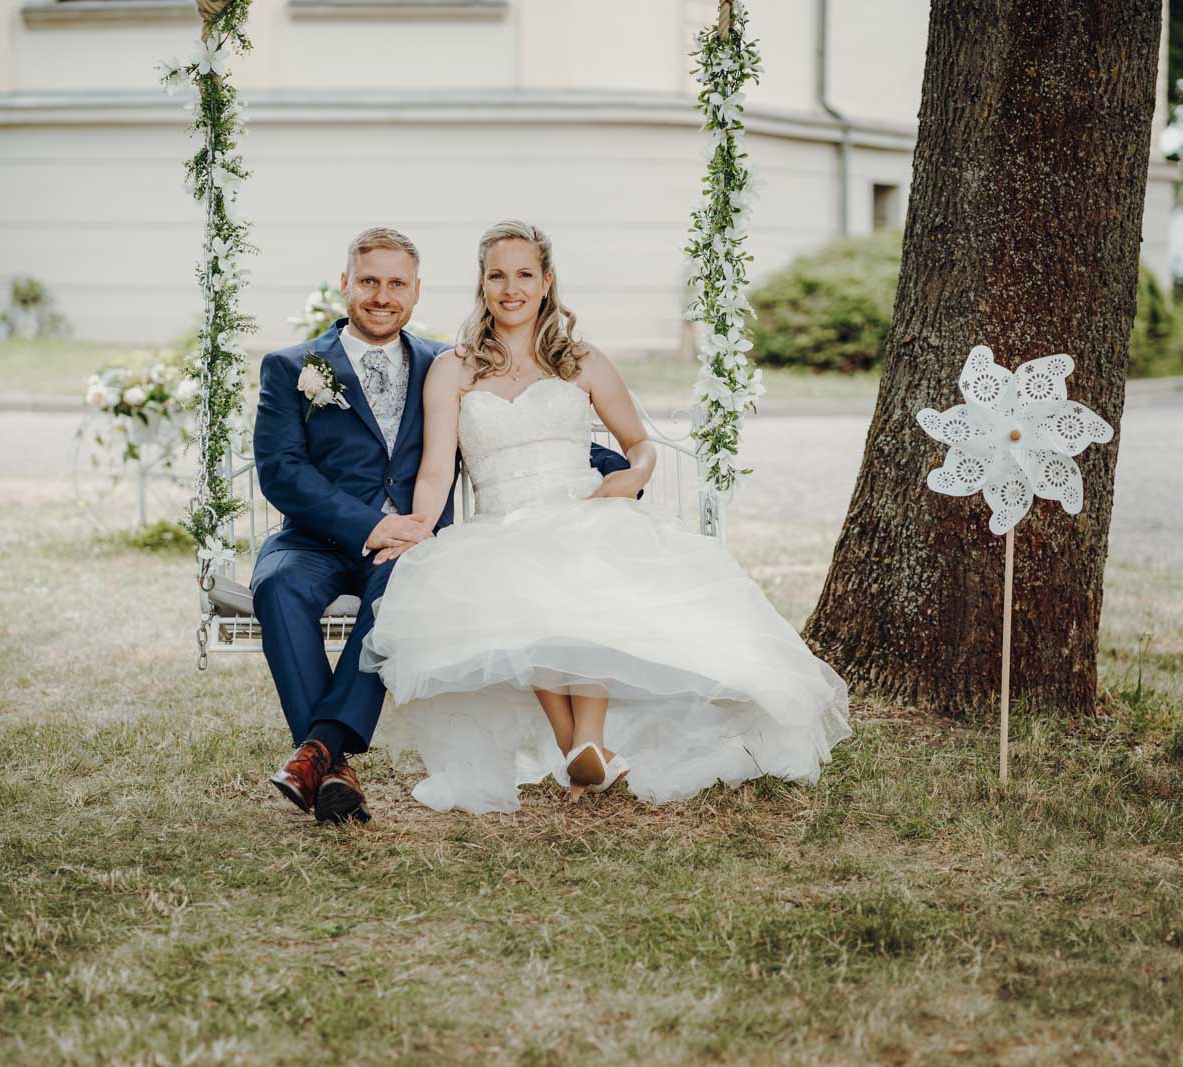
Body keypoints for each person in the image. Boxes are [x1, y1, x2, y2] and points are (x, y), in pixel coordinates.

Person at [359, 220, 852, 814]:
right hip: (503, 522)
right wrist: (416, 524)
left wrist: (634, 475)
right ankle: (581, 749)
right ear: (481, 285)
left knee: (580, 570)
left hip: (583, 507)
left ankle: (585, 742)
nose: (510, 288)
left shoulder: (582, 360)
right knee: (515, 584)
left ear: (546, 282)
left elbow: (637, 442)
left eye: (523, 274)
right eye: (497, 275)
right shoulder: (454, 369)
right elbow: (437, 469)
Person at [251, 227, 632, 824]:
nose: (382, 295)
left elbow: (524, 430)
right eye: (369, 281)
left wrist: (605, 475)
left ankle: (314, 757)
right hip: (316, 538)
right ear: (345, 283)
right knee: (278, 587)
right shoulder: (292, 366)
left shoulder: (445, 362)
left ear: (417, 292)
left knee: (401, 589)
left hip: (414, 540)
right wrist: (371, 527)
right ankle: (328, 757)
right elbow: (281, 472)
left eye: (397, 283)